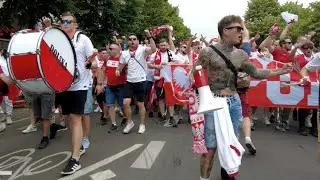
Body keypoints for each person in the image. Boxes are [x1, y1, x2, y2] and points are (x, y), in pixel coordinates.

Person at [195, 15, 292, 180]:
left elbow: (255, 72)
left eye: (241, 28)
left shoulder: (240, 54)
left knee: (230, 143)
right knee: (210, 147)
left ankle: (228, 176)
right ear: (225, 31)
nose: (241, 32)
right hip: (214, 103)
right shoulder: (207, 52)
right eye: (237, 28)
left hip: (234, 102)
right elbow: (194, 74)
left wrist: (278, 72)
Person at [58, 11, 100, 175]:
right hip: (63, 86)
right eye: (63, 21)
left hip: (80, 86)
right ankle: (80, 144)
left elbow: (95, 62)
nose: (65, 23)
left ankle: (75, 159)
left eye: (69, 21)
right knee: (70, 119)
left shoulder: (83, 39)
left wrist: (91, 65)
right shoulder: (59, 40)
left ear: (75, 25)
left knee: (76, 118)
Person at [115, 31, 157, 134]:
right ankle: (130, 122)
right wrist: (117, 70)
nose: (132, 41)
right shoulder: (124, 53)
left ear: (138, 41)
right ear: (127, 42)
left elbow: (153, 49)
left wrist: (150, 36)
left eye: (134, 39)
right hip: (129, 81)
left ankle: (142, 124)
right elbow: (120, 65)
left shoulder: (142, 50)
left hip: (141, 80)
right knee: (125, 103)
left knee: (140, 104)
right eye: (130, 39)